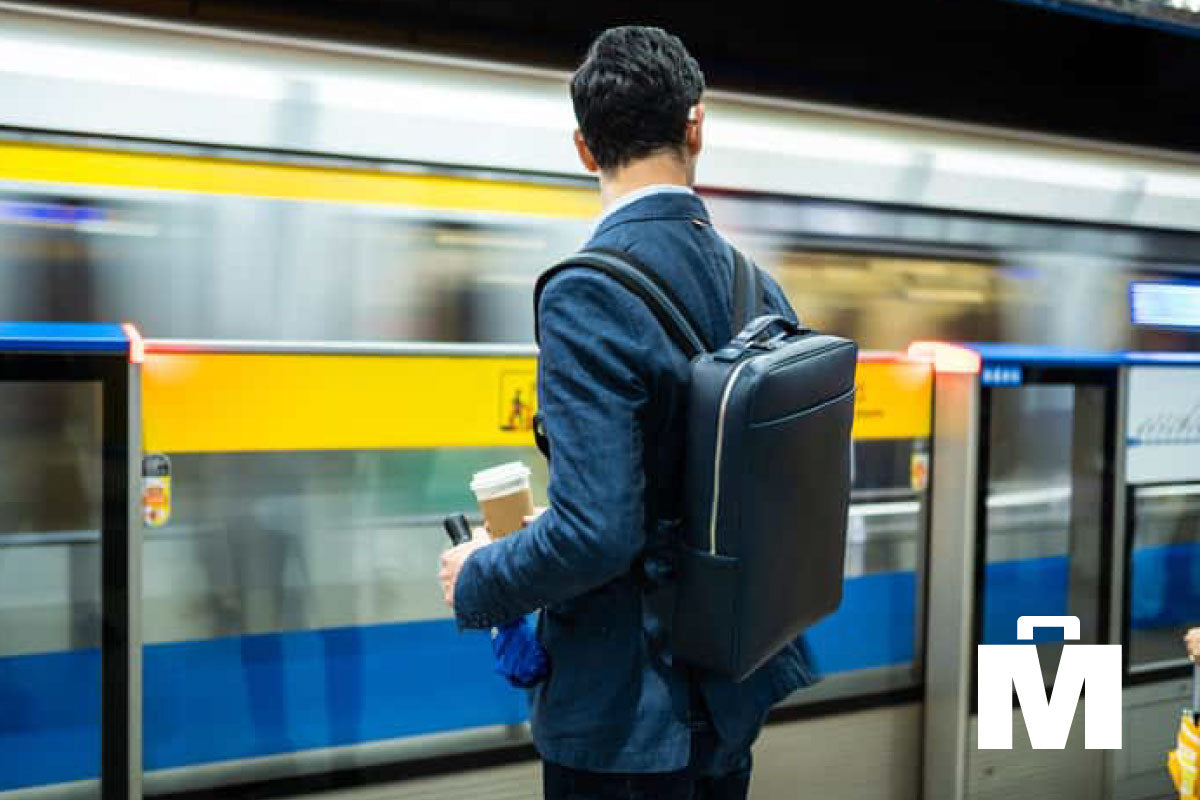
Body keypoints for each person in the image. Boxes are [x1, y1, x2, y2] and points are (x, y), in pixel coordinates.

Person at [439, 26, 816, 799]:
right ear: (696, 125)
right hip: (728, 695)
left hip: (627, 728)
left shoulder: (587, 295)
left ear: (584, 148)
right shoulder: (759, 290)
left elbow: (600, 531)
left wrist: (481, 577)